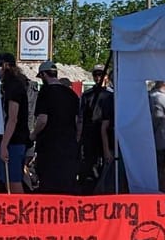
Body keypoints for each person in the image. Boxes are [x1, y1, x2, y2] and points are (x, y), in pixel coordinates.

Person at [31, 61, 81, 195]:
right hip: (68, 146)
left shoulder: (45, 92)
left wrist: (33, 134)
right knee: (66, 184)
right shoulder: (71, 94)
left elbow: (42, 119)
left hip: (49, 146)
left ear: (43, 75)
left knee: (49, 185)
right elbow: (78, 122)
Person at [0, 53, 32, 193]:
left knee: (14, 182)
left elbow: (13, 118)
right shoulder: (14, 84)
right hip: (14, 139)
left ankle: (19, 212)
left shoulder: (13, 86)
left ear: (5, 66)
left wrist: (4, 144)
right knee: (9, 181)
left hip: (14, 141)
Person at [79, 63, 117, 194]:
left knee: (106, 166)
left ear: (106, 76)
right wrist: (79, 137)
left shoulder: (111, 96)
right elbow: (81, 117)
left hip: (107, 135)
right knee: (90, 166)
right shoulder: (87, 95)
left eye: (100, 74)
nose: (97, 77)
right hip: (90, 135)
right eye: (95, 74)